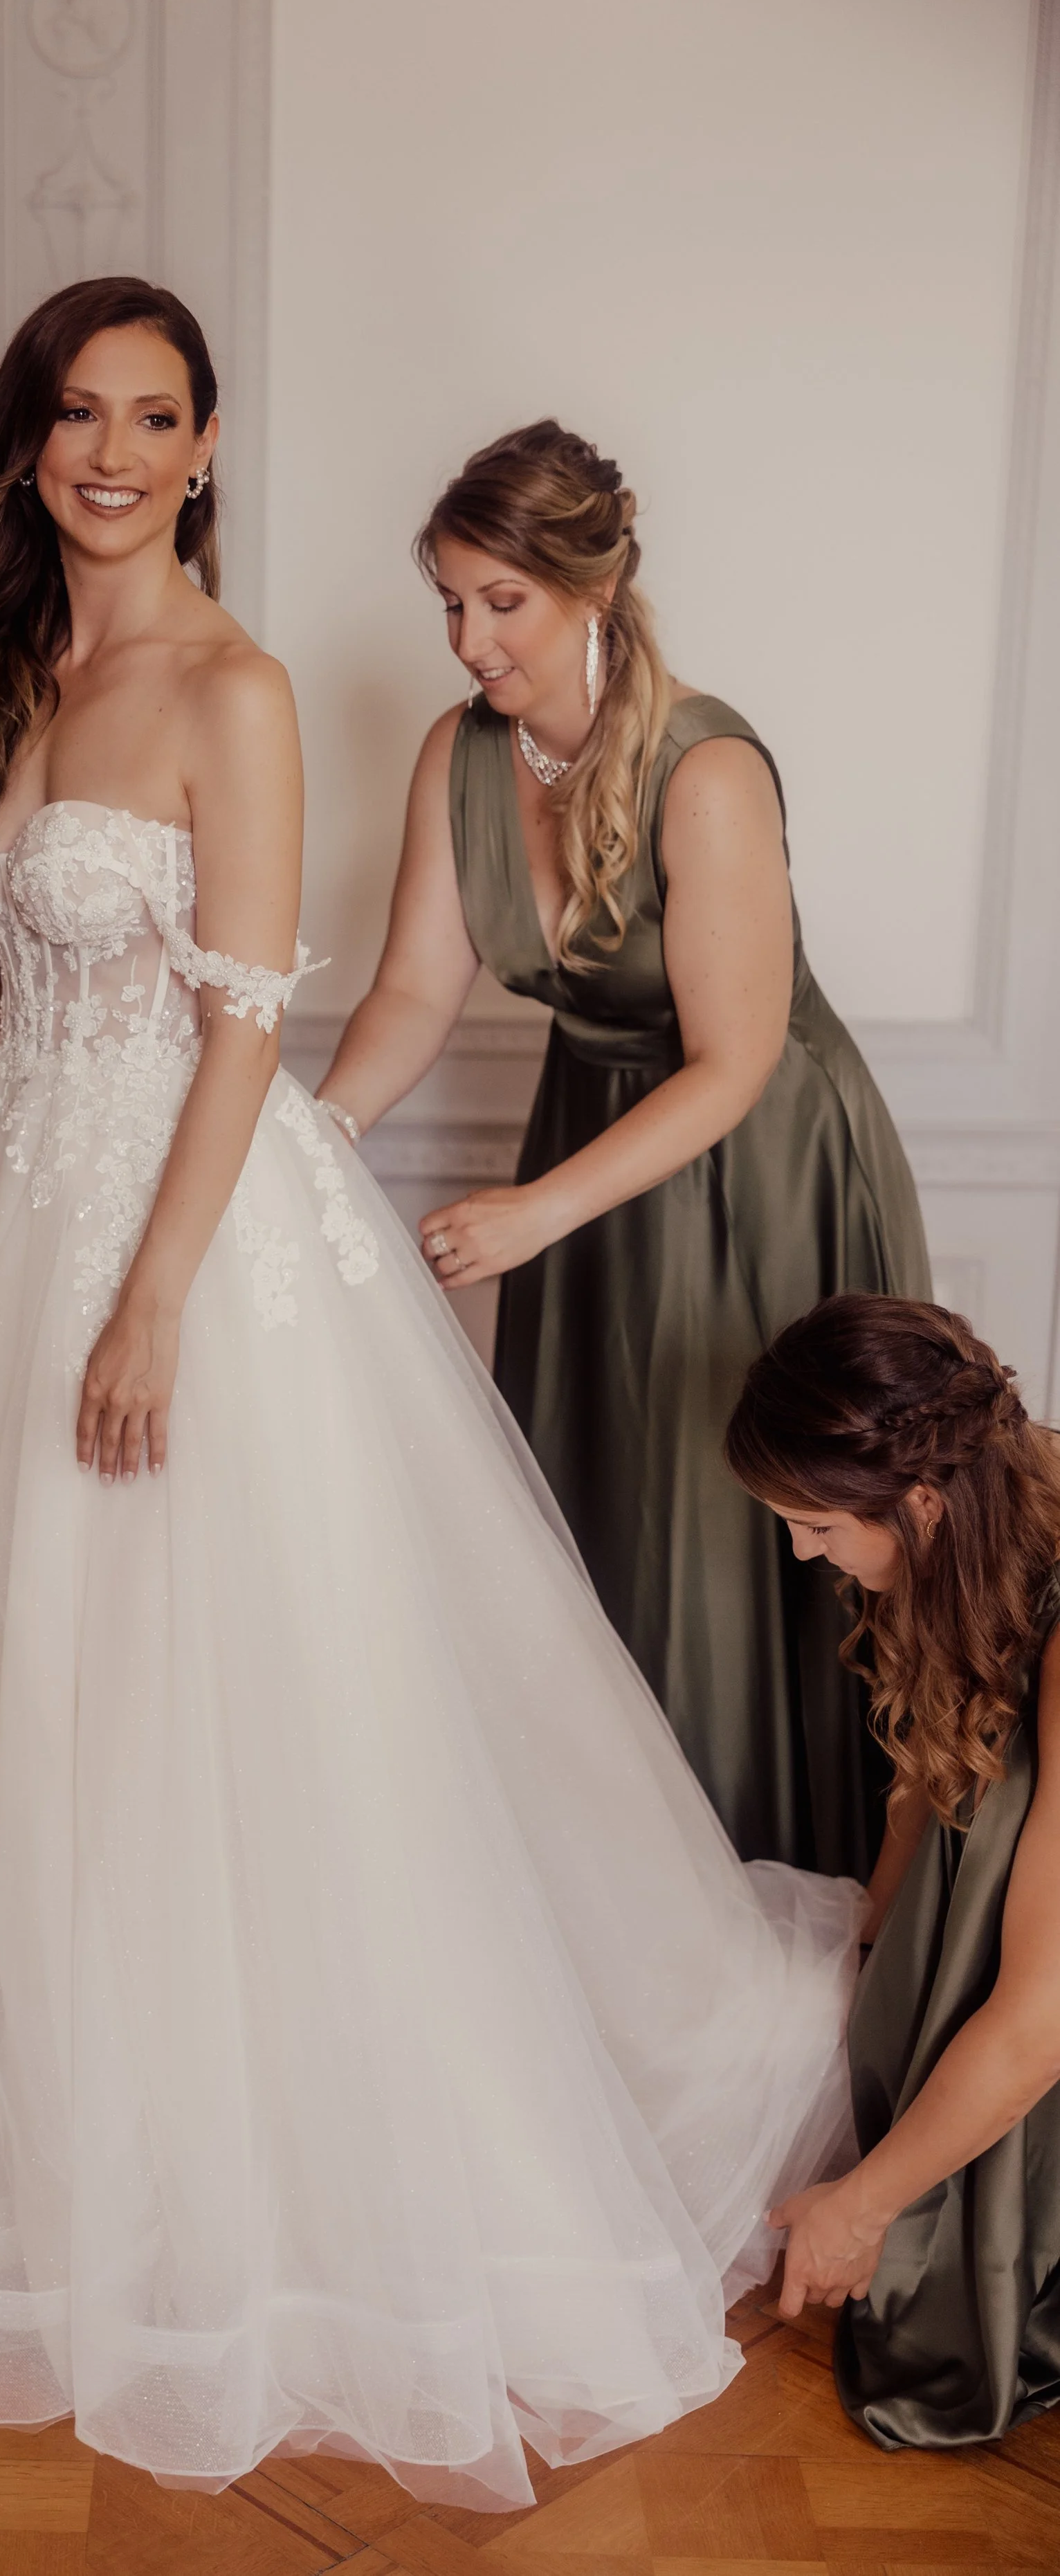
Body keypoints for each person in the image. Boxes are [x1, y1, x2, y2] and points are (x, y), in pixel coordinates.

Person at [0, 278, 863, 2514]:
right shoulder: (20, 675)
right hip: (25, 1224)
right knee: (24, 1685)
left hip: (181, 1251)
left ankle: (288, 2173)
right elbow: (12, 1000)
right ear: (28, 442)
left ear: (209, 446)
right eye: (72, 414)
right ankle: (63, 2154)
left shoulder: (240, 684)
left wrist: (152, 1296)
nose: (109, 452)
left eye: (153, 416)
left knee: (243, 1711)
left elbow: (244, 1028)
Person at [317, 422, 929, 1879]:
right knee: (596, 1529)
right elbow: (412, 986)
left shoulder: (704, 767)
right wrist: (310, 1135)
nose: (468, 640)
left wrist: (532, 1215)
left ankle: (785, 1884)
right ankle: (631, 1907)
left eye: (499, 603)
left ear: (589, 591)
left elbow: (732, 1061)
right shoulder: (458, 755)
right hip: (585, 1147)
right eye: (448, 603)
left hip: (755, 1163)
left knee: (730, 1532)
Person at [726, 1295, 1060, 2451]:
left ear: (918, 1499)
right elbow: (930, 1767)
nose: (805, 1556)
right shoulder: (984, 1512)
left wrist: (860, 2209)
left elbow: (1040, 2018)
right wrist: (870, 1937)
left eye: (818, 1528)